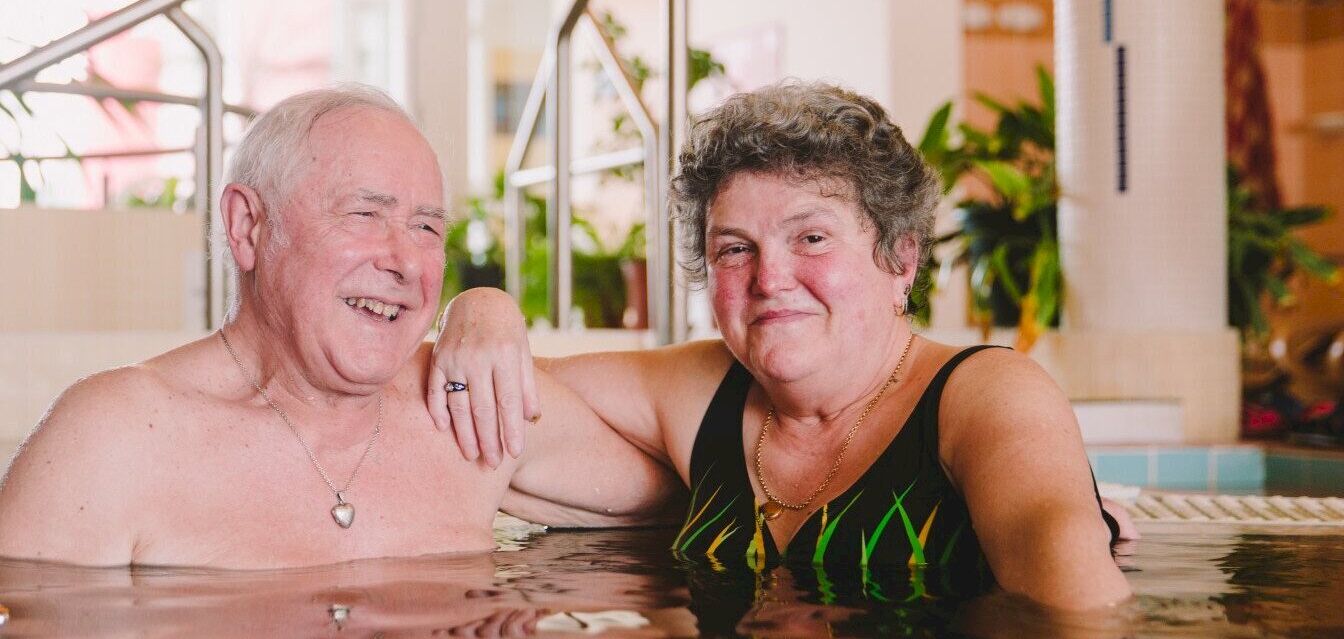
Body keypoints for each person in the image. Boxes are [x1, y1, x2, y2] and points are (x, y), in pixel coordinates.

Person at [428, 81, 1132, 609]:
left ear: (901, 259)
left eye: (812, 238)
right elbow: (483, 392)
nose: (770, 279)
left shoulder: (987, 395)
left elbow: (1079, 612)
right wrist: (480, 307)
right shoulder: (703, 388)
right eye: (735, 249)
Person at [0, 84, 677, 568]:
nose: (406, 261)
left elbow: (708, 490)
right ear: (247, 227)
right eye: (365, 214)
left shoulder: (465, 410)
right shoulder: (112, 441)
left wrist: (485, 305)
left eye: (427, 228)